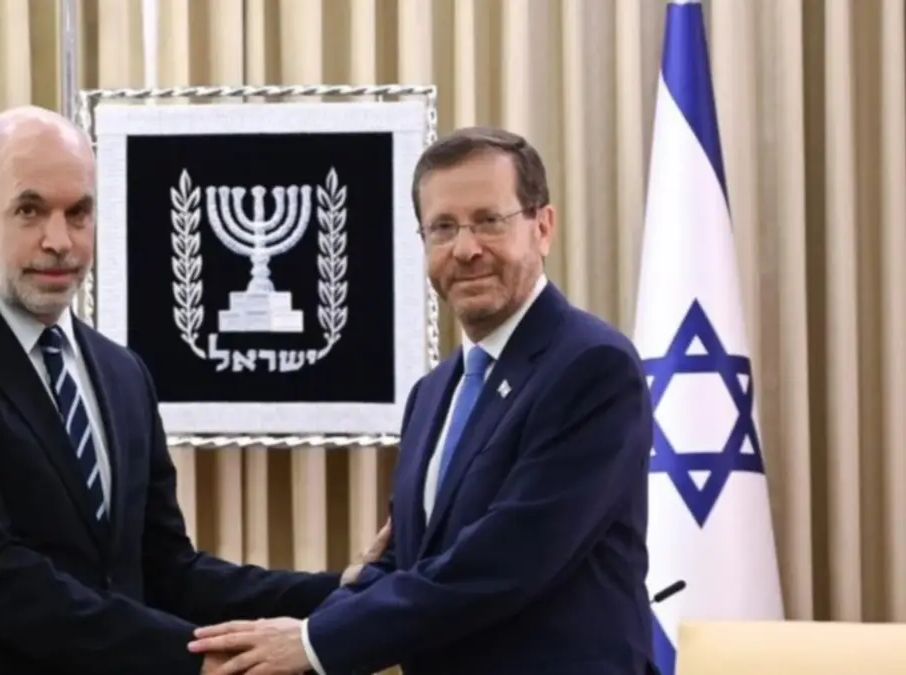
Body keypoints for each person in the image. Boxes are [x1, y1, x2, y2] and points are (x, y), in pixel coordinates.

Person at [0, 105, 388, 675]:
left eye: (78, 213)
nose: (59, 241)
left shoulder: (122, 373)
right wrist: (196, 661)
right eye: (30, 210)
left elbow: (165, 571)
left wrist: (340, 594)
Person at [187, 126, 656, 675]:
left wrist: (314, 642)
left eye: (489, 220)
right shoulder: (432, 394)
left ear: (542, 227)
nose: (466, 249)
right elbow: (406, 558)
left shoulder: (592, 366)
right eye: (443, 227)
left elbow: (505, 561)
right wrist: (294, 640)